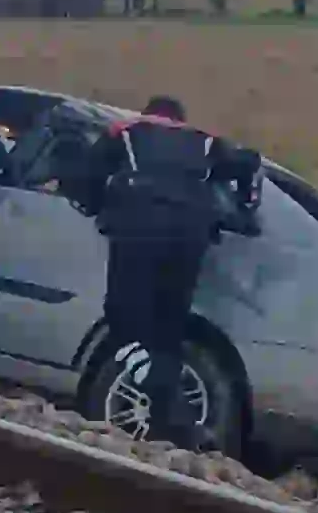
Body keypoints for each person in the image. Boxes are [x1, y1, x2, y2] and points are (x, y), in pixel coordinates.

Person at [91, 96, 264, 448]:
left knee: (122, 314)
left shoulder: (126, 131)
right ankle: (171, 423)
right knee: (168, 326)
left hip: (139, 225)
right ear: (180, 120)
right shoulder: (204, 140)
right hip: (189, 235)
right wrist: (247, 206)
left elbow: (87, 170)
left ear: (148, 114)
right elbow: (249, 162)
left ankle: (151, 379)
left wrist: (99, 206)